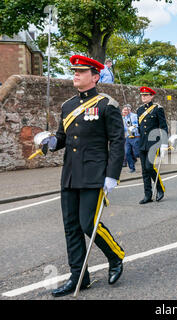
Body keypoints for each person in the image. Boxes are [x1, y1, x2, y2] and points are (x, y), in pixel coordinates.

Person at [39, 55, 125, 297]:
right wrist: (51, 143)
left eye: (81, 71)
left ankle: (116, 256)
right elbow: (63, 137)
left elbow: (117, 141)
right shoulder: (67, 106)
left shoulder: (107, 104)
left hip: (95, 174)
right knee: (71, 227)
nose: (75, 74)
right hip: (70, 174)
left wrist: (112, 175)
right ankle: (79, 276)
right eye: (74, 71)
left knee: (88, 223)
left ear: (95, 76)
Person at [136, 86, 168, 204]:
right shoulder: (139, 110)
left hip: (154, 143)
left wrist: (164, 143)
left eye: (146, 95)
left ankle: (160, 188)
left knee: (150, 167)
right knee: (144, 171)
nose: (143, 97)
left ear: (151, 96)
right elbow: (141, 128)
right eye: (142, 95)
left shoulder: (157, 109)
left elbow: (163, 126)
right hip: (142, 143)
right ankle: (147, 195)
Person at [122, 105, 140, 173]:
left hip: (136, 137)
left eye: (126, 111)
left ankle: (147, 163)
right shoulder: (123, 118)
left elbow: (137, 125)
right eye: (123, 111)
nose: (124, 112)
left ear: (129, 110)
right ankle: (132, 168)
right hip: (128, 138)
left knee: (137, 153)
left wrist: (132, 128)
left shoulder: (134, 116)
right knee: (127, 153)